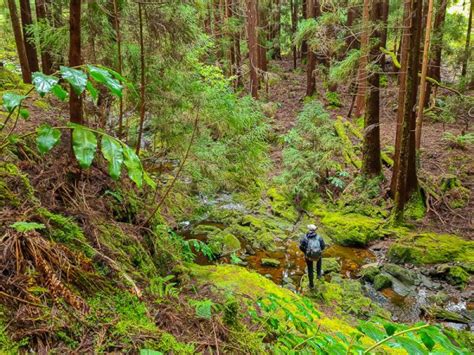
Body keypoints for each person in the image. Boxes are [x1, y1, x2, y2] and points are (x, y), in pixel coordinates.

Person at [299, 224, 325, 289]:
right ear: (315, 230)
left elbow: (301, 247)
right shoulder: (319, 237)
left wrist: (306, 252)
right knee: (319, 260)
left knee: (310, 269)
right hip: (318, 256)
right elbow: (323, 246)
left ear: (309, 230)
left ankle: (311, 285)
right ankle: (319, 275)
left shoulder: (305, 237)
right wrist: (318, 251)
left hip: (308, 256)